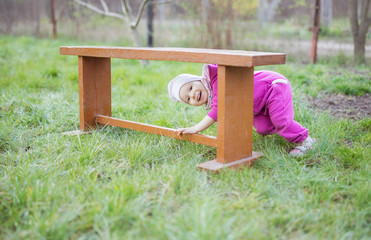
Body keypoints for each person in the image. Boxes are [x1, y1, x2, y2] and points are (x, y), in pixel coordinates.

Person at [167, 64, 316, 157]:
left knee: (281, 121)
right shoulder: (214, 95)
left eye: (191, 88)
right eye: (188, 99)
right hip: (259, 104)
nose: (192, 94)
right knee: (263, 128)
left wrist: (195, 128)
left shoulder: (218, 80)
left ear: (200, 79)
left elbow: (217, 112)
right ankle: (281, 124)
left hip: (273, 87)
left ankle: (305, 140)